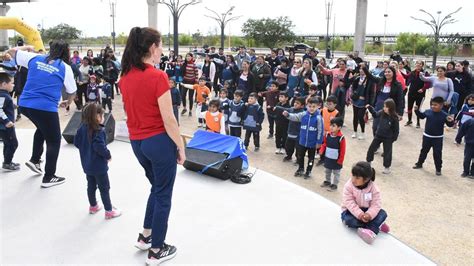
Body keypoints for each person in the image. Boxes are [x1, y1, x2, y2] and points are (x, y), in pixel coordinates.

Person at [119, 27, 185, 264]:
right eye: (161, 45)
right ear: (152, 48)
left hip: (137, 143)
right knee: (164, 194)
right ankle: (157, 249)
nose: (162, 50)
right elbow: (169, 118)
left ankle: (146, 235)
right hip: (158, 142)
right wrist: (181, 145)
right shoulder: (157, 76)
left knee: (156, 188)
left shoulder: (124, 76)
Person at [7, 41, 77, 187]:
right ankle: (49, 176)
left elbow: (11, 51)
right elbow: (72, 91)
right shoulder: (65, 67)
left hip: (25, 104)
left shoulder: (34, 58)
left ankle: (35, 160)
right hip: (45, 107)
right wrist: (68, 102)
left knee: (43, 128)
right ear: (66, 51)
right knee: (54, 140)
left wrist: (26, 47)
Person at [73, 103, 121, 219]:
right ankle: (109, 211)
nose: (103, 118)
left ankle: (93, 206)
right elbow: (99, 147)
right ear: (97, 117)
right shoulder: (99, 131)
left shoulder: (81, 128)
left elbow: (76, 142)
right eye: (102, 115)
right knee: (104, 188)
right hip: (99, 167)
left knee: (91, 185)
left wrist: (86, 150)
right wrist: (108, 156)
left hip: (87, 164)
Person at [341, 161, 390, 244]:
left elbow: (376, 204)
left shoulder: (374, 188)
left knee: (383, 213)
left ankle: (370, 230)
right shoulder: (348, 186)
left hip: (367, 212)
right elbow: (349, 202)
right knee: (349, 220)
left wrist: (369, 215)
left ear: (366, 179)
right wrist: (360, 214)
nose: (353, 179)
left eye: (357, 178)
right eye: (353, 175)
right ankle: (376, 225)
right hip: (351, 212)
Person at [413, 97, 455, 176]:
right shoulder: (428, 112)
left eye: (435, 105)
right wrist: (416, 110)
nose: (433, 106)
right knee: (424, 151)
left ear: (441, 106)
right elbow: (421, 116)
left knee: (437, 154)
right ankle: (419, 163)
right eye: (432, 104)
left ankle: (438, 169)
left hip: (438, 138)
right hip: (427, 137)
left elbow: (450, 124)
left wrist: (451, 121)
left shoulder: (444, 115)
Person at [283, 97, 323, 178]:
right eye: (309, 106)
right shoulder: (304, 114)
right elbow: (295, 116)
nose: (311, 108)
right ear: (306, 106)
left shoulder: (319, 118)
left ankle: (308, 171)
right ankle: (300, 168)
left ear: (318, 106)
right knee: (300, 156)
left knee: (311, 159)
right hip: (302, 141)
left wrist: (319, 142)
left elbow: (321, 131)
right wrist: (288, 115)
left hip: (312, 143)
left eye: (313, 106)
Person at [365, 99, 400, 174]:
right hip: (378, 135)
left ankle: (387, 167)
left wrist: (393, 139)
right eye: (384, 106)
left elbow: (396, 130)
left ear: (390, 108)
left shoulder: (394, 117)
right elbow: (375, 115)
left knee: (387, 153)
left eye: (386, 107)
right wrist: (370, 108)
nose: (384, 108)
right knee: (371, 149)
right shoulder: (382, 112)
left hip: (388, 138)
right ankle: (368, 163)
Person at [0, 69, 19, 171]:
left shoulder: (4, 94)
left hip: (5, 126)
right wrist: (6, 121)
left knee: (8, 144)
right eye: (11, 83)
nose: (13, 85)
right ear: (3, 84)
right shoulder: (3, 95)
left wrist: (13, 105)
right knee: (13, 144)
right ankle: (7, 163)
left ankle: (7, 161)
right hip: (6, 126)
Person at [319, 117, 346, 191]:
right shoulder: (327, 135)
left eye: (333, 126)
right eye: (331, 125)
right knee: (327, 171)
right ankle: (327, 181)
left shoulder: (341, 138)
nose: (331, 127)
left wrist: (340, 160)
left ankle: (335, 184)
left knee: (336, 173)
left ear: (339, 127)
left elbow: (343, 151)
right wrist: (321, 150)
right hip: (328, 158)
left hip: (337, 160)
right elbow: (324, 144)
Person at [350, 63, 374, 139]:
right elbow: (353, 88)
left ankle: (363, 133)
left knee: (361, 117)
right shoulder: (357, 78)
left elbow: (371, 92)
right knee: (355, 117)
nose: (361, 70)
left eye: (363, 69)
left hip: (364, 102)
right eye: (360, 69)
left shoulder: (369, 80)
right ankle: (355, 132)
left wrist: (369, 102)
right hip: (356, 100)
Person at [280, 97, 305, 162]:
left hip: (298, 134)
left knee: (298, 148)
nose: (295, 104)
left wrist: (288, 115)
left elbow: (293, 117)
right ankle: (289, 156)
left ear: (302, 106)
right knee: (288, 146)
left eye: (298, 103)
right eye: (295, 102)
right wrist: (276, 107)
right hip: (290, 132)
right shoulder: (291, 109)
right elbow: (284, 109)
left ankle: (298, 159)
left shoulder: (302, 113)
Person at [406, 61, 429, 128]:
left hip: (420, 94)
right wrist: (398, 70)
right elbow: (406, 77)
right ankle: (409, 120)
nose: (418, 65)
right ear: (415, 65)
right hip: (411, 93)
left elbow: (428, 83)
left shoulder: (425, 73)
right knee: (409, 107)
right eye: (417, 63)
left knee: (417, 108)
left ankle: (418, 122)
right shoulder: (412, 72)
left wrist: (423, 88)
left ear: (422, 65)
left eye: (420, 64)